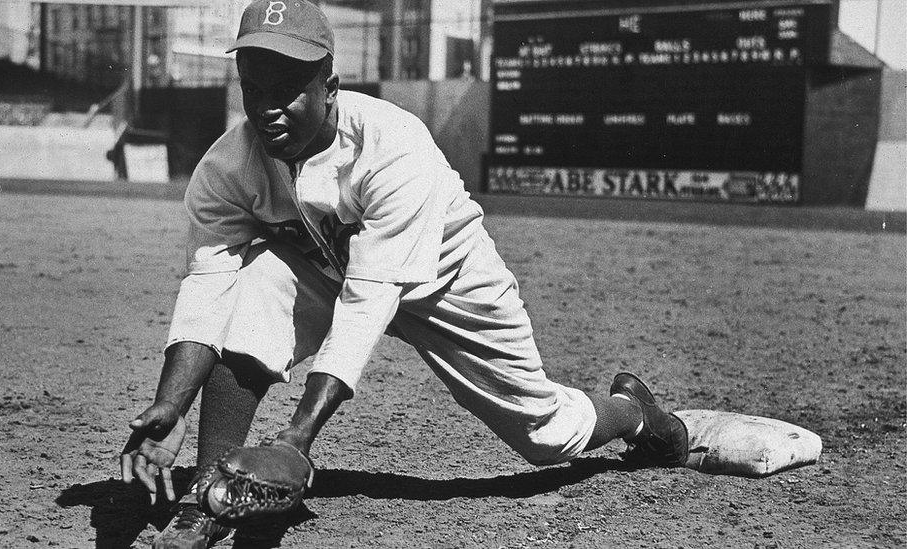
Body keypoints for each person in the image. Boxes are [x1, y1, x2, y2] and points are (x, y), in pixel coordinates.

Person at [119, 1, 689, 547]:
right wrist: (170, 404)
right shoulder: (226, 168)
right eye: (254, 85)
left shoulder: (393, 147)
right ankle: (208, 494)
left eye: (288, 87)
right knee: (253, 290)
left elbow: (368, 304)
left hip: (450, 281)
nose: (269, 106)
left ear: (330, 89)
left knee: (545, 432)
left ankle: (636, 413)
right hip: (330, 272)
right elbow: (206, 287)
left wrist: (297, 439)